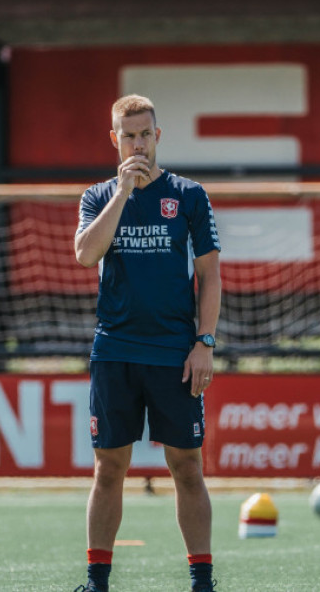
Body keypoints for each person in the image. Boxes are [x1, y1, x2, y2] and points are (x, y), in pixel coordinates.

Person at [72, 94, 222, 592]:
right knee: (109, 467)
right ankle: (97, 581)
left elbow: (210, 275)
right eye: (128, 135)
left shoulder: (190, 195)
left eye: (145, 134)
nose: (138, 143)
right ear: (114, 140)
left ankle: (202, 579)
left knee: (186, 465)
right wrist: (122, 193)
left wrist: (204, 342)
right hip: (115, 350)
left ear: (158, 136)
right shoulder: (98, 197)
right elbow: (84, 254)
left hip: (174, 353)